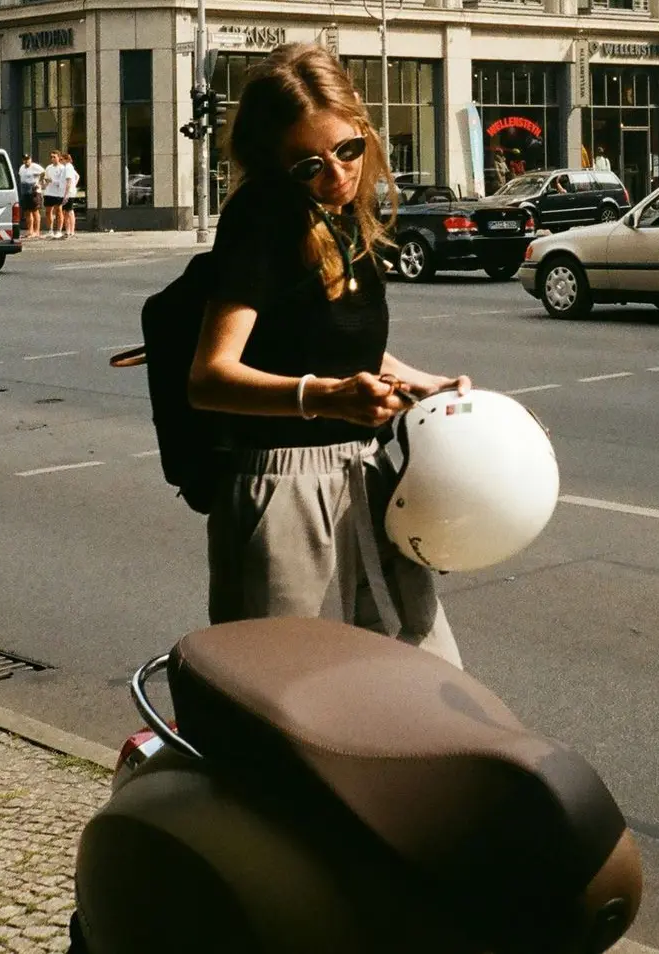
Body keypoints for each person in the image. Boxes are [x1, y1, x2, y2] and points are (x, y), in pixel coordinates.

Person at [187, 43, 470, 666]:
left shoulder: (345, 216)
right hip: (281, 489)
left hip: (363, 477)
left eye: (347, 150)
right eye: (307, 165)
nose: (337, 174)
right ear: (272, 165)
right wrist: (326, 397)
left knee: (424, 677)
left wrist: (427, 385)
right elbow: (210, 377)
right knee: (292, 701)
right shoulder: (261, 220)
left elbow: (341, 345)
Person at [16, 154, 43, 238]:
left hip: (33, 191)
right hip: (25, 190)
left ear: (30, 159)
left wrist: (39, 183)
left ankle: (37, 231)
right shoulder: (22, 168)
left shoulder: (35, 167)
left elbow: (43, 173)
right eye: (25, 159)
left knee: (35, 211)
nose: (26, 161)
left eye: (28, 159)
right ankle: (30, 231)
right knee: (27, 211)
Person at [41, 150, 66, 239]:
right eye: (51, 157)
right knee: (48, 212)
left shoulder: (62, 168)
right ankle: (50, 231)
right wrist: (44, 183)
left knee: (59, 211)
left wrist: (52, 181)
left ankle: (59, 231)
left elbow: (63, 182)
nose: (52, 159)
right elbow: (46, 179)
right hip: (48, 192)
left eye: (54, 157)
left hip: (58, 193)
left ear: (59, 158)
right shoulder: (48, 168)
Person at [60, 152, 80, 238]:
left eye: (61, 159)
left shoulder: (68, 167)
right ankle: (70, 230)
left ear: (65, 159)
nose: (61, 161)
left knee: (68, 212)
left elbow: (68, 181)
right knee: (68, 211)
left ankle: (69, 231)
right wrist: (74, 186)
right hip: (70, 192)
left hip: (68, 193)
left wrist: (66, 194)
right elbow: (77, 176)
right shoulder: (69, 167)